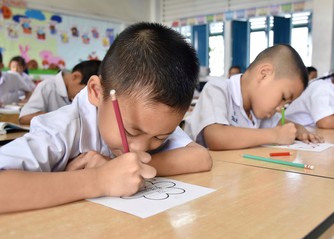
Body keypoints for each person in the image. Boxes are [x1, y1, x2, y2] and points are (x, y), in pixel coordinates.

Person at [0, 22, 212, 213]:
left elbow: (201, 158)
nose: (141, 147)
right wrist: (99, 179)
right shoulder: (64, 127)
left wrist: (118, 165)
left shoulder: (153, 122)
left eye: (160, 138)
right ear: (95, 91)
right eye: (131, 131)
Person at [184, 44, 323, 151]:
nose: (281, 108)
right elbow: (216, 137)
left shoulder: (259, 111)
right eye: (283, 97)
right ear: (264, 74)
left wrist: (300, 129)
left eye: (287, 103)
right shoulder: (218, 89)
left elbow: (282, 123)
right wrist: (275, 135)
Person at [19, 60, 102, 125]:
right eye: (87, 90)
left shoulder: (72, 93)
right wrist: (65, 117)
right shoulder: (48, 86)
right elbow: (25, 117)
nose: (90, 96)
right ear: (75, 77)